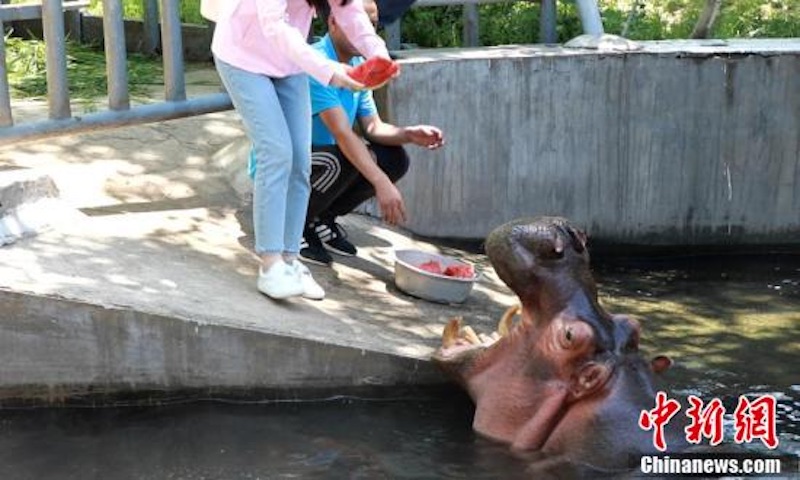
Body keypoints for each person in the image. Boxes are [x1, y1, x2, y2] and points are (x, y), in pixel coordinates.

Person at [209, 0, 391, 300]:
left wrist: (378, 55)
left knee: (300, 161)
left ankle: (290, 261)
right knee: (276, 152)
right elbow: (274, 25)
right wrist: (328, 71)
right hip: (243, 55)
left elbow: (348, 9)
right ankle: (270, 265)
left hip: (289, 62)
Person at [296, 0, 445, 266]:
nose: (366, 30)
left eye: (373, 25)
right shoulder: (316, 63)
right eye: (359, 21)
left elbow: (373, 127)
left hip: (325, 163)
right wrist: (380, 182)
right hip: (294, 161)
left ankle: (322, 217)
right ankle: (294, 224)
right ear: (333, 21)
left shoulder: (358, 63)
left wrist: (409, 134)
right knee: (345, 157)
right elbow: (343, 133)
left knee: (393, 159)